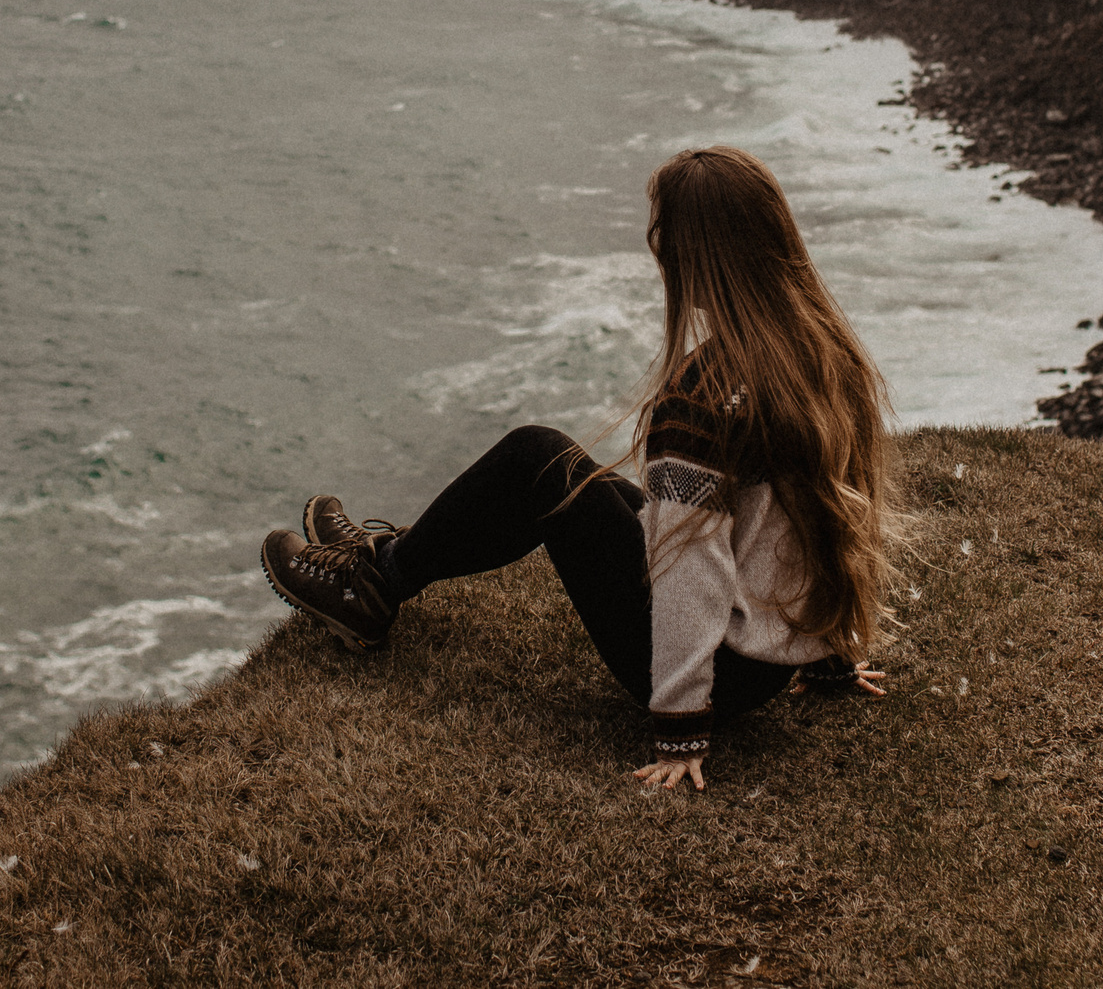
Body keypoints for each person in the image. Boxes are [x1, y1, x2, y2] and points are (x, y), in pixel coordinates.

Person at [260, 145, 894, 791]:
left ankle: (372, 586)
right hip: (766, 660)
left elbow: (690, 567)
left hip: (712, 672)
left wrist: (681, 721)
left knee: (535, 456)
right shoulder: (823, 346)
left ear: (677, 250)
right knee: (573, 474)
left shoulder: (705, 393)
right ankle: (385, 561)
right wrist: (830, 653)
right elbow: (838, 512)